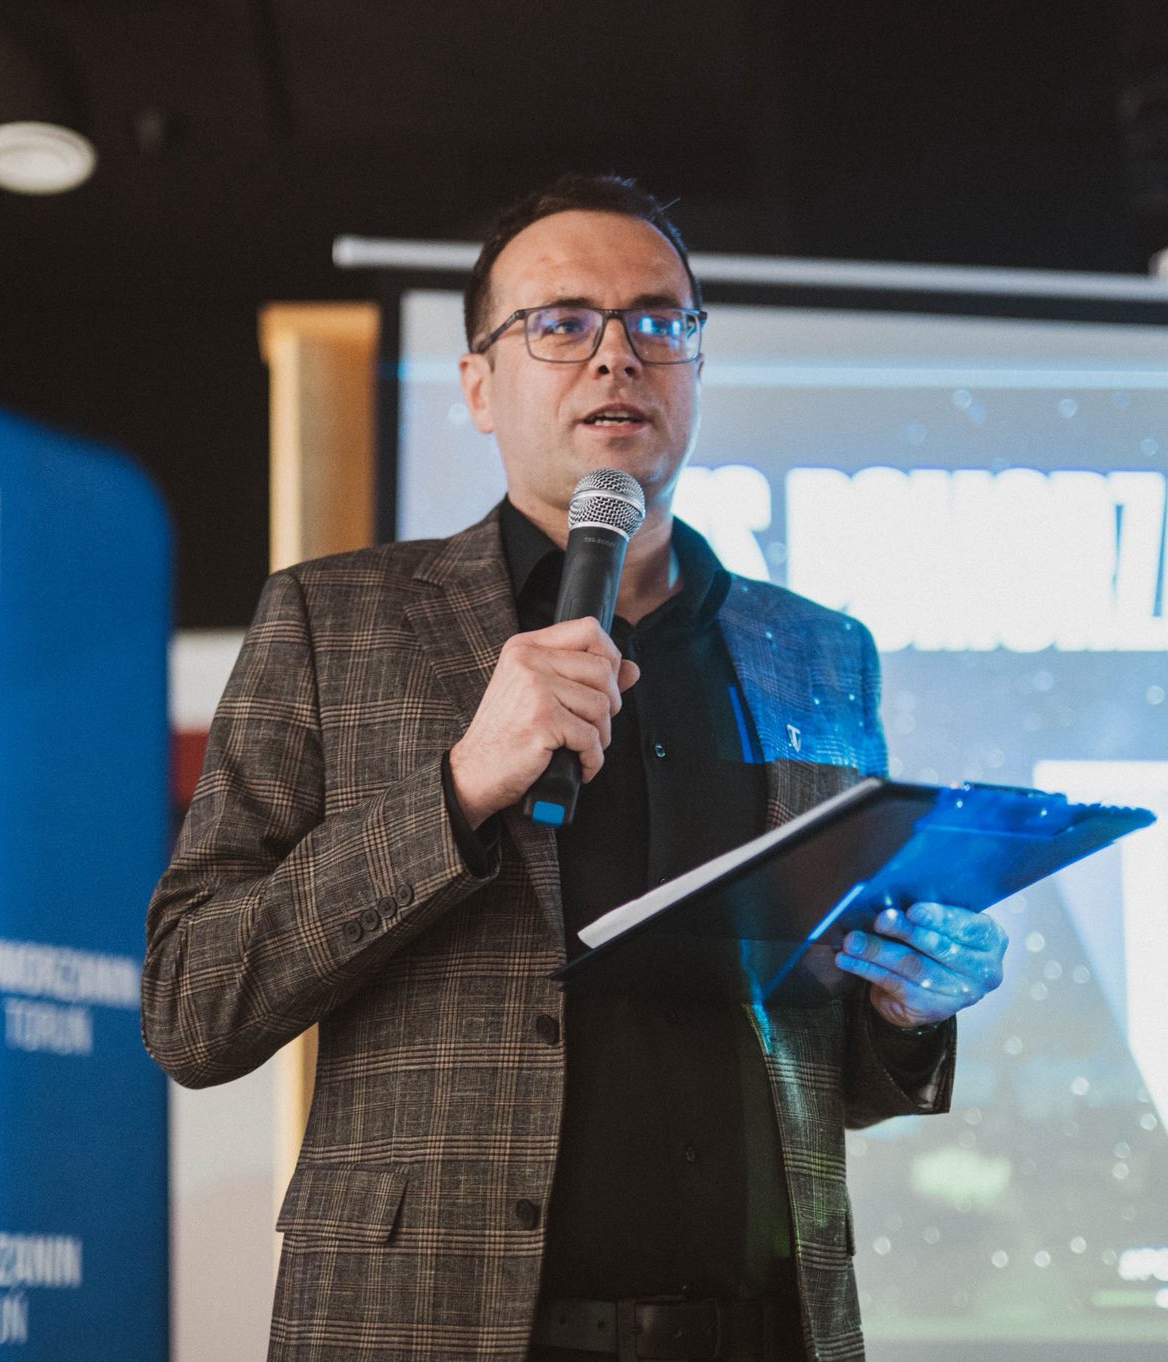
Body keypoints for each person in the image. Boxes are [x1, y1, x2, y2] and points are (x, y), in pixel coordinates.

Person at [143, 174, 1009, 1362]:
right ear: (477, 384)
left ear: (695, 366)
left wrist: (901, 1009)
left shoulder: (816, 652)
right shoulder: (332, 621)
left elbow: (818, 1068)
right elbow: (192, 1007)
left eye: (658, 321)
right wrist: (457, 788)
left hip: (763, 1329)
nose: (616, 356)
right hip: (434, 1329)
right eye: (560, 323)